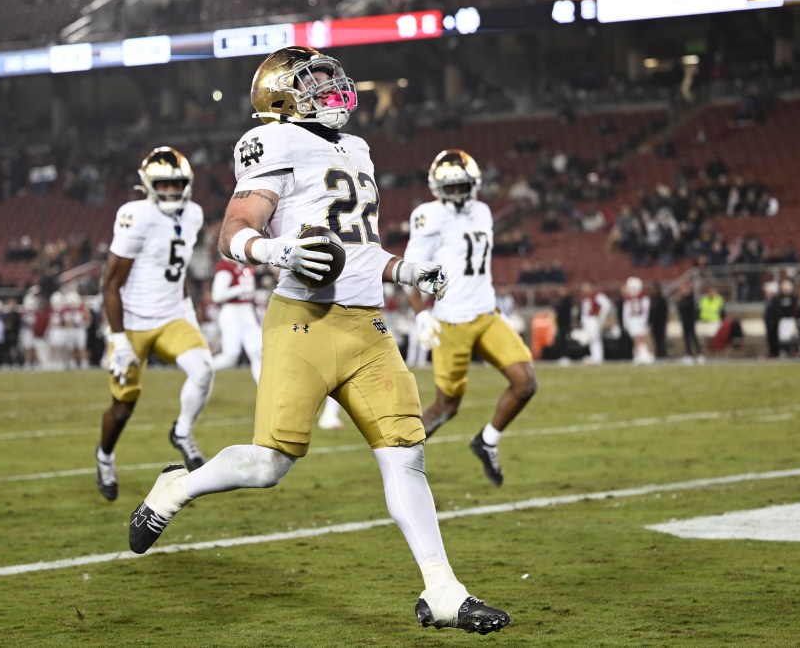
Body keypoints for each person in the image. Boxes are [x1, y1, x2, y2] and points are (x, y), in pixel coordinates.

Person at [127, 47, 510, 635]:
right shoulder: (273, 142)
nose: (333, 89)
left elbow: (358, 245)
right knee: (267, 465)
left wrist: (405, 271)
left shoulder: (356, 148)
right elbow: (234, 230)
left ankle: (443, 591)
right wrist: (276, 250)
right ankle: (176, 488)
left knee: (407, 457)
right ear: (280, 96)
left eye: (333, 78)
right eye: (317, 81)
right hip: (303, 321)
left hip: (369, 327)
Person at [403, 149, 537, 487]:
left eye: (464, 186)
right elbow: (409, 271)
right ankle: (401, 460)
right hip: (450, 321)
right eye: (452, 187)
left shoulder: (482, 210)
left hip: (487, 313)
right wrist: (421, 314)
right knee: (446, 407)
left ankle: (486, 441)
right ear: (437, 188)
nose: (459, 194)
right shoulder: (428, 216)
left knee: (525, 382)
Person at [95, 147, 215, 501]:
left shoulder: (193, 214)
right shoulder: (135, 215)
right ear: (148, 185)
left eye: (176, 185)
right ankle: (104, 457)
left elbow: (176, 270)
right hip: (132, 321)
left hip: (173, 316)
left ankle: (182, 432)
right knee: (123, 408)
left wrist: (187, 308)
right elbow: (110, 284)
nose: (170, 192)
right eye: (162, 185)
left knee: (203, 370)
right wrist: (118, 341)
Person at [211, 254, 345, 428]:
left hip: (252, 314)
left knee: (258, 353)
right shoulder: (227, 267)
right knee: (231, 356)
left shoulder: (247, 267)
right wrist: (242, 289)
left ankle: (269, 394)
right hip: (236, 313)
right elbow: (217, 295)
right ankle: (206, 370)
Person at [621, 277, 653, 364]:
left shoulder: (644, 297)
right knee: (635, 338)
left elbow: (646, 310)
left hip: (640, 319)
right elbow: (626, 311)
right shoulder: (628, 299)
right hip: (633, 320)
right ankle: (639, 355)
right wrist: (626, 322)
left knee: (644, 337)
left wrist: (644, 320)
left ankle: (649, 355)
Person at [579, 281, 612, 364]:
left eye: (586, 286)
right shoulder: (586, 297)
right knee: (591, 339)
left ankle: (598, 357)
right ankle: (595, 356)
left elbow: (607, 305)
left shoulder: (598, 296)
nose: (584, 288)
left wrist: (601, 317)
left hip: (594, 319)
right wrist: (583, 321)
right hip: (588, 320)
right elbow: (585, 311)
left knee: (595, 338)